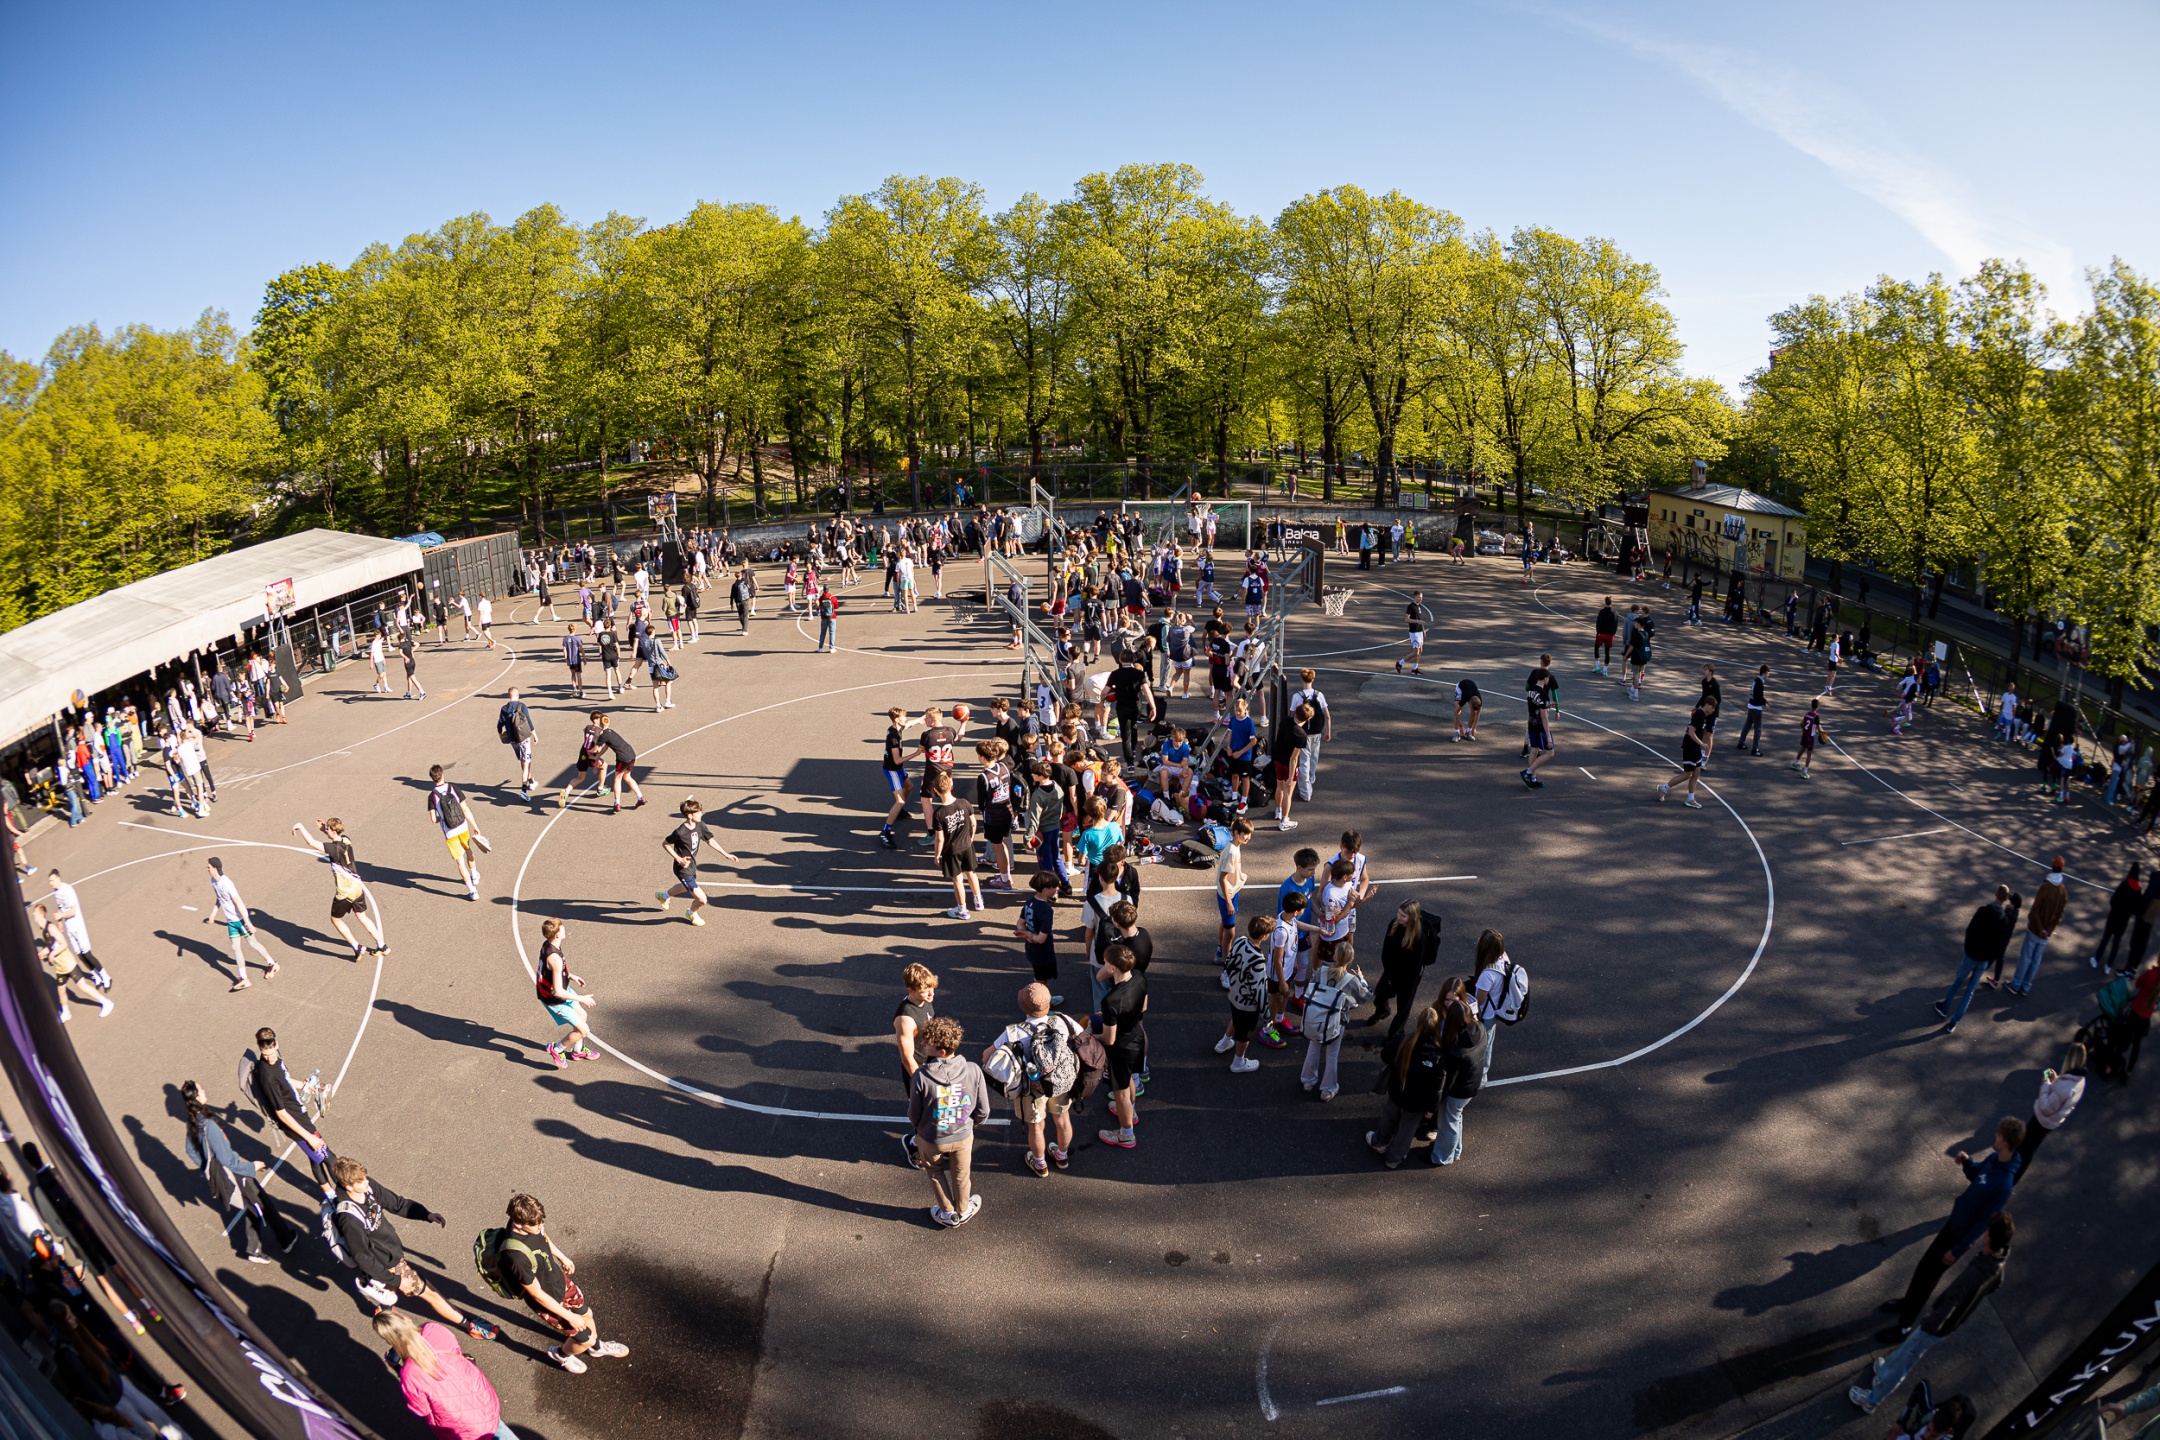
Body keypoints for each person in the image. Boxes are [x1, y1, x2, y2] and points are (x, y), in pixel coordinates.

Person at [1851, 1213, 2012, 1414]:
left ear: (1989, 1237)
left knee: (1906, 1359)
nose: (1984, 1232)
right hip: (1948, 1325)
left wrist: (1931, 1322)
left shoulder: (1977, 1271)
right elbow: (1997, 1285)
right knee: (1906, 1349)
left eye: (1987, 1230)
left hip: (1936, 1325)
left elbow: (1952, 1301)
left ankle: (1872, 1400)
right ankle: (1885, 1370)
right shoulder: (1998, 1261)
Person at [326, 1156, 498, 1340]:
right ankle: (470, 1326)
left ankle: (384, 1312)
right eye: (360, 1181)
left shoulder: (367, 1188)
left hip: (391, 1254)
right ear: (348, 1186)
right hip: (387, 1263)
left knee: (390, 1288)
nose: (366, 1181)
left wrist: (426, 1214)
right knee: (431, 1293)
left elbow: (397, 1204)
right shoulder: (349, 1218)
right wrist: (398, 1280)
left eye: (365, 1177)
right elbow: (362, 1257)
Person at [1884, 1117, 2023, 1338]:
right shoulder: (1994, 1159)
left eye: (1999, 1135)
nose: (1995, 1136)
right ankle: (1908, 1302)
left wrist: (1957, 1250)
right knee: (1923, 1269)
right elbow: (1977, 1176)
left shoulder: (2004, 1185)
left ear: (2006, 1142)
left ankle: (1904, 1326)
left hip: (1958, 1236)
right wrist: (1968, 1163)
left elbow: (1983, 1223)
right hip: (1954, 1223)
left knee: (1928, 1278)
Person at [496, 1193, 626, 1372]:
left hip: (561, 1283)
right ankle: (561, 1354)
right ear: (517, 1223)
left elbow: (543, 1238)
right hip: (549, 1301)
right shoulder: (515, 1256)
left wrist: (561, 1256)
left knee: (587, 1314)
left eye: (541, 1222)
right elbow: (537, 1294)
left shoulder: (532, 1225)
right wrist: (569, 1316)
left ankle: (596, 1348)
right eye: (535, 1224)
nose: (540, 1227)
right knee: (584, 1339)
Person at [180, 1079, 298, 1262]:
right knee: (262, 1205)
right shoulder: (210, 1126)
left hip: (230, 1174)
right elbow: (227, 1161)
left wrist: (207, 1168)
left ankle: (268, 1244)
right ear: (196, 1097)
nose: (204, 1091)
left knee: (254, 1205)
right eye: (200, 1090)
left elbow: (190, 1150)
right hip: (237, 1175)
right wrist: (252, 1167)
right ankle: (281, 1242)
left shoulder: (193, 1121)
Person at [987, 983, 1083, 1177]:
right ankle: (1062, 1156)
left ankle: (1040, 1164)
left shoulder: (1014, 1032)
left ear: (1023, 1007)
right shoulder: (1063, 1021)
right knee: (1063, 1119)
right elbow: (1082, 1037)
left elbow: (986, 1057)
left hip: (1031, 1088)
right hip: (1061, 1082)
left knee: (1036, 1126)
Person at [374, 1309, 515, 1440]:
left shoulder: (409, 1374)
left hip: (461, 1427)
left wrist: (397, 1368)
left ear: (389, 1340)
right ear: (406, 1319)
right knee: (498, 1429)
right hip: (483, 1401)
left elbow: (421, 1409)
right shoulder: (435, 1330)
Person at [907, 1016, 989, 1226]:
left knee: (935, 1172)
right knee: (961, 1174)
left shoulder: (921, 1076)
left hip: (931, 1137)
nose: (922, 1045)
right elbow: (983, 1110)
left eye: (927, 1043)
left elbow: (914, 1112)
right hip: (962, 1135)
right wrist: (972, 1124)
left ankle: (947, 1212)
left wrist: (918, 1130)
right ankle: (963, 1209)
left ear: (941, 1052)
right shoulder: (973, 1070)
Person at [292, 817, 389, 961]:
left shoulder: (333, 849)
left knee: (336, 919)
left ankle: (357, 947)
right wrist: (323, 829)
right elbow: (334, 838)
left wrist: (301, 826)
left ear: (333, 830)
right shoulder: (346, 840)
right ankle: (382, 945)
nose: (326, 831)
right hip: (357, 886)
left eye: (328, 829)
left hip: (345, 892)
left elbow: (311, 842)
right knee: (362, 916)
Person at [1367, 1005, 1446, 1169]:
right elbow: (1436, 1088)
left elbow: (1385, 1055)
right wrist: (1431, 1108)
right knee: (1407, 1128)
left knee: (1389, 1116)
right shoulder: (1438, 1056)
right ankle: (1394, 1158)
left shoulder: (1403, 1041)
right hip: (1417, 1102)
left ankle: (1379, 1142)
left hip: (1398, 1090)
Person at [1297, 941, 1370, 1101]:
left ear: (1334, 956)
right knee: (1332, 1054)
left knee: (1313, 1047)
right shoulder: (1351, 980)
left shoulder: (1321, 972)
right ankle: (1327, 1089)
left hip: (1316, 1017)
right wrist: (1361, 978)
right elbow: (1365, 996)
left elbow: (1312, 987)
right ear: (1351, 959)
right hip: (1336, 1021)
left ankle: (1308, 1080)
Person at [1937, 885, 2015, 1031]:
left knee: (1958, 982)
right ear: (2006, 899)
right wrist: (1989, 956)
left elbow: (1970, 930)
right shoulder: (2003, 920)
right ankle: (1954, 1022)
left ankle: (1944, 1007)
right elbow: (2000, 944)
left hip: (1972, 954)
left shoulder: (1983, 911)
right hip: (1983, 960)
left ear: (1995, 894)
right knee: (1970, 991)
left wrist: (1968, 948)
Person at [1095, 944, 1147, 1150]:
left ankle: (1126, 1135)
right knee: (1130, 1078)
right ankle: (1130, 1112)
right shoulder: (1139, 978)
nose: (1104, 964)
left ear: (1113, 968)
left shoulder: (1110, 1000)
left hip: (1121, 1049)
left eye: (1106, 962)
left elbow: (1109, 1039)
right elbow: (1143, 1006)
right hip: (1137, 1038)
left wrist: (1089, 1035)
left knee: (1120, 1092)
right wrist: (1118, 1018)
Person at [655, 796, 736, 926]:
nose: (701, 814)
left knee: (684, 886)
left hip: (692, 864)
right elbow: (665, 844)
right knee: (702, 899)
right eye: (698, 812)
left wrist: (726, 854)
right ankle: (691, 913)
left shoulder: (700, 826)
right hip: (683, 869)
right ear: (690, 815)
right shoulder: (680, 832)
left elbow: (710, 840)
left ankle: (663, 896)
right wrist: (679, 859)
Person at [203, 857, 281, 991]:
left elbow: (239, 903)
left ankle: (272, 964)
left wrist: (248, 923)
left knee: (253, 943)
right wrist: (213, 914)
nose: (207, 869)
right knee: (235, 948)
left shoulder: (227, 883)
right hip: (231, 922)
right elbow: (219, 898)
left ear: (215, 868)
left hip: (239, 920)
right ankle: (243, 978)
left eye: (209, 867)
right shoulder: (213, 881)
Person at [534, 917, 598, 1068]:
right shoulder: (554, 958)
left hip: (559, 988)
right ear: (557, 934)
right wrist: (581, 998)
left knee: (582, 1016)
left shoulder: (548, 944)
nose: (564, 929)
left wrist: (570, 976)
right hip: (554, 998)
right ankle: (556, 1049)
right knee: (583, 1031)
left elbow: (550, 972)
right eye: (562, 928)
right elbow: (559, 992)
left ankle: (577, 1051)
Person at [1432, 993, 1487, 1165]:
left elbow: (1448, 1081)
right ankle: (1455, 1150)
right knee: (1455, 1117)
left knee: (1448, 1123)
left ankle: (1442, 1157)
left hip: (1458, 1091)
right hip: (1471, 1085)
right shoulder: (1479, 1029)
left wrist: (1436, 1098)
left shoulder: (1456, 1050)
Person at [1368, 899, 1436, 1036]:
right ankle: (1382, 1012)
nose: (1399, 917)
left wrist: (1395, 980)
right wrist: (1389, 975)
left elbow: (1413, 966)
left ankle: (1395, 1034)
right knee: (1380, 993)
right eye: (1399, 913)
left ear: (1412, 918)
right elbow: (1386, 951)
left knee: (1403, 1008)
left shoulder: (1419, 938)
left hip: (1409, 978)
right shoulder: (1394, 924)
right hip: (1392, 971)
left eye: (1403, 916)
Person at [2016, 1043, 2085, 1175]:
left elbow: (2046, 1107)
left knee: (2024, 1148)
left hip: (2042, 1120)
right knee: (2029, 1148)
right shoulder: (2080, 1080)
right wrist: (2055, 1081)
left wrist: (2046, 1083)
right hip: (2051, 1122)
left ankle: (2011, 1174)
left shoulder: (2064, 1087)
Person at [31, 903, 109, 1020]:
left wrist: (52, 953)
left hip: (68, 963)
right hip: (60, 966)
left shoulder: (51, 928)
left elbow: (64, 943)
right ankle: (66, 1013)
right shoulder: (43, 930)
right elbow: (51, 945)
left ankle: (106, 1002)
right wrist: (44, 952)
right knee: (61, 990)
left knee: (82, 986)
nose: (33, 914)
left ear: (41, 914)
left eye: (35, 912)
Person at [892, 963, 937, 1168]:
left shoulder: (924, 1000)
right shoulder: (905, 1019)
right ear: (910, 990)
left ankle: (931, 1144)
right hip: (918, 1073)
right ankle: (915, 1146)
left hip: (932, 1065)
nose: (931, 993)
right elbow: (907, 1058)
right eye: (925, 990)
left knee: (935, 1111)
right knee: (923, 1115)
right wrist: (921, 1081)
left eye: (932, 988)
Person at [1217, 913, 1271, 1073]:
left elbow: (1229, 962)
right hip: (1248, 1004)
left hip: (1235, 994)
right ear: (1263, 937)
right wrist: (1267, 1016)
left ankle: (1224, 1043)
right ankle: (1238, 1062)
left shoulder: (1240, 941)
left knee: (1236, 1019)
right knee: (1244, 1034)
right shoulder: (1258, 960)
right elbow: (1259, 990)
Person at [2008, 857, 2068, 997]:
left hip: (2035, 929)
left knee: (2026, 957)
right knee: (2036, 960)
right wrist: (2048, 931)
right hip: (2046, 933)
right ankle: (2026, 986)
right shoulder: (2063, 891)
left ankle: (2016, 984)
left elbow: (2035, 910)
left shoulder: (2045, 887)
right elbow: (2059, 915)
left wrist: (2040, 928)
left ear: (2052, 867)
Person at [46, 869, 111, 990]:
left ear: (58, 878)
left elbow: (73, 911)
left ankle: (105, 976)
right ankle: (95, 975)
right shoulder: (56, 893)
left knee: (87, 954)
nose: (51, 883)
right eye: (50, 881)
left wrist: (61, 916)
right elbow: (60, 908)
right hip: (69, 928)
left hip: (77, 926)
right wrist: (60, 922)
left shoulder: (68, 890)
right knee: (80, 956)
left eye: (52, 880)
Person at [427, 764, 485, 901]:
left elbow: (433, 819)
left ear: (432, 778)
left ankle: (472, 891)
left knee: (460, 861)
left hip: (449, 832)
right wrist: (474, 825)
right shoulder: (453, 788)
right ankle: (474, 874)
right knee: (468, 849)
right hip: (462, 826)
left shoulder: (432, 796)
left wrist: (442, 818)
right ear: (442, 774)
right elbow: (465, 809)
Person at [1657, 695, 1717, 808]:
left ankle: (1690, 798)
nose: (1713, 710)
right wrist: (1701, 744)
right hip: (1690, 747)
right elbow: (1691, 732)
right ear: (1707, 705)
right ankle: (1663, 788)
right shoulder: (1699, 714)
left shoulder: (1703, 716)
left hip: (1696, 748)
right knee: (1687, 774)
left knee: (1697, 772)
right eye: (1712, 707)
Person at [1214, 815, 1253, 969]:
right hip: (1227, 895)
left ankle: (1220, 950)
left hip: (1231, 892)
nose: (1248, 837)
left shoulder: (1235, 845)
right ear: (1236, 833)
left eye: (1250, 834)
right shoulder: (1232, 852)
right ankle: (1226, 967)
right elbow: (1223, 878)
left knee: (1225, 924)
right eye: (1245, 834)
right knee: (1230, 934)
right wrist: (1229, 902)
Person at [1014, 871, 1061, 999]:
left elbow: (1020, 923)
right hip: (1043, 951)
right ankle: (1041, 1001)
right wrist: (1030, 935)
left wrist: (1028, 936)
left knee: (1039, 974)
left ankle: (1043, 998)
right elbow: (1041, 939)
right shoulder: (1046, 910)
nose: (1057, 889)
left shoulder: (1030, 901)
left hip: (1031, 948)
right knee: (1041, 979)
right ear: (1045, 890)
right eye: (1055, 887)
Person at [590, 713, 648, 813]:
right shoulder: (611, 732)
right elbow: (606, 747)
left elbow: (596, 748)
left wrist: (589, 751)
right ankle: (640, 797)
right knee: (627, 777)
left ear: (600, 724)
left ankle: (617, 804)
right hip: (631, 754)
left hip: (622, 758)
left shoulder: (603, 735)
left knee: (617, 779)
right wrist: (597, 756)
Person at [1269, 702, 1312, 831]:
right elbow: (1294, 758)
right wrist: (1291, 776)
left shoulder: (1285, 721)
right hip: (1289, 766)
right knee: (1288, 792)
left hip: (1278, 760)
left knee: (1279, 786)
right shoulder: (1301, 735)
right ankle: (1284, 820)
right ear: (1308, 718)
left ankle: (1278, 810)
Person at [2091, 863, 2142, 972]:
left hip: (2114, 915)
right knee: (2116, 942)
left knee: (2106, 937)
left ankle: (2097, 959)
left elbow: (2114, 900)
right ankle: (2108, 965)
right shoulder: (2138, 889)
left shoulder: (2125, 884)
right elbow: (2136, 909)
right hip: (2124, 919)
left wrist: (2115, 906)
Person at [498, 688, 537, 794]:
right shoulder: (521, 706)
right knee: (526, 764)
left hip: (513, 740)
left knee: (523, 760)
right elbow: (528, 721)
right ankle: (524, 790)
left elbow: (499, 725)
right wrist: (534, 735)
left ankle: (531, 781)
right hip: (523, 739)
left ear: (509, 696)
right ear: (518, 695)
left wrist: (501, 736)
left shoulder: (504, 709)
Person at [1793, 698, 1823, 778]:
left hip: (1805, 734)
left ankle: (1795, 762)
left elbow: (1801, 724)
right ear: (1818, 707)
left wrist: (1805, 729)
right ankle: (1805, 771)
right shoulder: (1816, 716)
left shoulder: (1807, 714)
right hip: (1810, 737)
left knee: (1802, 748)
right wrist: (1824, 733)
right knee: (1809, 754)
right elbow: (1819, 729)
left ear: (1811, 705)